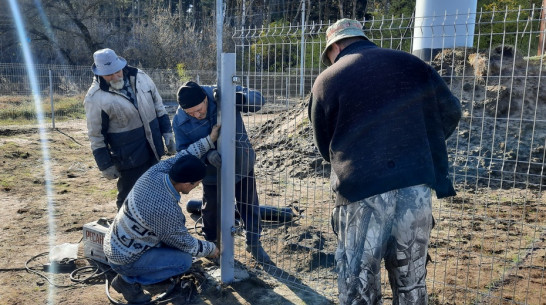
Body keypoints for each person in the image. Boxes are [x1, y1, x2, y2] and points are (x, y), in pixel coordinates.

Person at [308, 19, 462, 304]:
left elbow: (324, 143)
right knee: (412, 282)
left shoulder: (327, 81)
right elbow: (451, 112)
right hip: (414, 186)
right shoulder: (415, 65)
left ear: (336, 47)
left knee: (359, 285)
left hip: (360, 193)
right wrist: (419, 147)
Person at [103, 125, 220, 304]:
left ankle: (140, 271)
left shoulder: (157, 171)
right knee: (184, 261)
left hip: (116, 243)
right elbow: (185, 243)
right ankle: (127, 281)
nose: (197, 187)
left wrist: (209, 140)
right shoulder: (165, 208)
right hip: (124, 259)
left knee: (173, 241)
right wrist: (212, 249)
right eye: (197, 184)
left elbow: (185, 155)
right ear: (188, 184)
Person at [172, 81, 271, 264]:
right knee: (211, 210)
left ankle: (254, 243)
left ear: (205, 98)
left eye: (200, 110)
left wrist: (236, 99)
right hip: (211, 172)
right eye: (191, 113)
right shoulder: (179, 121)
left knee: (249, 204)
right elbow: (183, 151)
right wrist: (207, 155)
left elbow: (259, 99)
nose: (197, 115)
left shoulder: (221, 92)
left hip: (241, 162)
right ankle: (213, 245)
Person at [84, 48, 176, 210]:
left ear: (121, 66)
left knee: (154, 191)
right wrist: (105, 164)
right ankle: (125, 232)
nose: (114, 76)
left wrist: (167, 133)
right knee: (129, 198)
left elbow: (158, 106)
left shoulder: (140, 77)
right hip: (128, 158)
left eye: (116, 71)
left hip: (153, 148)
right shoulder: (95, 98)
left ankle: (152, 229)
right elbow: (96, 136)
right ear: (99, 74)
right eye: (109, 74)